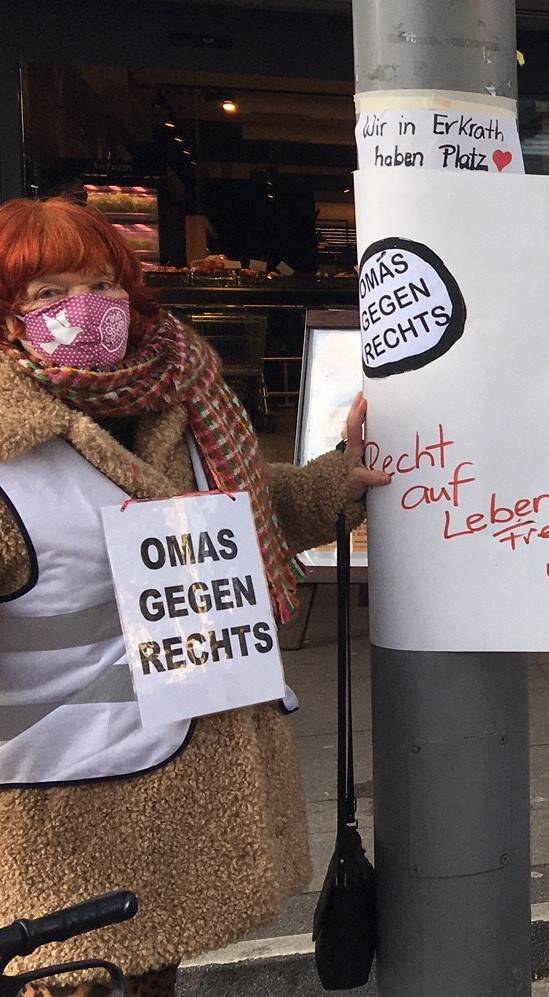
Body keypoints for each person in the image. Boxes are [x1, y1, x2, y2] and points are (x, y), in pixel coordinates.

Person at [0, 196, 391, 996]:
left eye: (102, 283)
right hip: (56, 823)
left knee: (154, 977)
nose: (86, 309)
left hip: (172, 796)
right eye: (48, 293)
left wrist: (331, 483)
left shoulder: (176, 395)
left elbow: (225, 518)